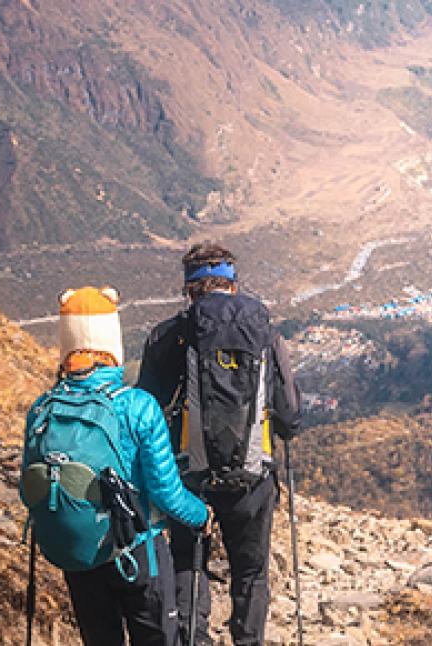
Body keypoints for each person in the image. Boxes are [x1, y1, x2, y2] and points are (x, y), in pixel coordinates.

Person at [24, 286, 211, 646]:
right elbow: (166, 493)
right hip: (138, 550)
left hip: (78, 550)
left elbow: (28, 489)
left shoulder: (42, 408)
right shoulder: (138, 406)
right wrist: (201, 515)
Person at [138, 243, 301, 646]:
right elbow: (290, 416)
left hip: (189, 478)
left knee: (187, 563)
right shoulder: (265, 333)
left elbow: (146, 409)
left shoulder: (169, 336)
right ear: (234, 283)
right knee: (250, 572)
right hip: (253, 479)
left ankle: (193, 638)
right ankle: (248, 640)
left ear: (188, 288)